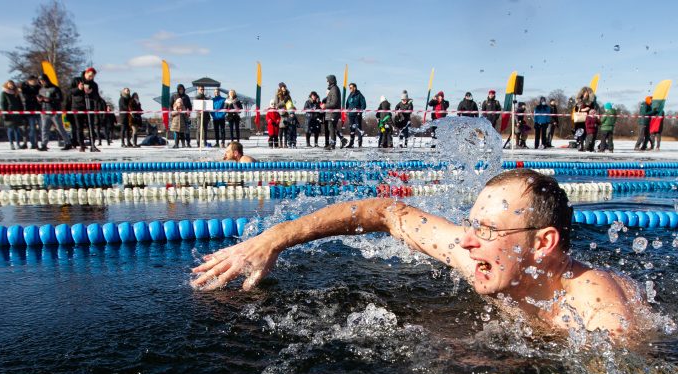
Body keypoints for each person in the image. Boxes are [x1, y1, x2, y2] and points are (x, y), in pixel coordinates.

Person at [191, 168, 642, 341]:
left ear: (542, 244)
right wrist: (273, 238)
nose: (466, 242)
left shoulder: (594, 311)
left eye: (487, 230)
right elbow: (388, 212)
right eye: (470, 225)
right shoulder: (487, 259)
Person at [37, 73, 69, 151]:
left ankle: (68, 143)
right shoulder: (41, 90)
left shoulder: (55, 88)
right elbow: (41, 102)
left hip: (54, 111)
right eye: (40, 81)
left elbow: (60, 99)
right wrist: (40, 101)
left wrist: (50, 99)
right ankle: (44, 144)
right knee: (44, 129)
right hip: (45, 112)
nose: (42, 82)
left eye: (43, 81)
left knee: (60, 128)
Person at [1, 80, 25, 150]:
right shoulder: (4, 93)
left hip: (17, 114)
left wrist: (21, 112)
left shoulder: (16, 93)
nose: (11, 85)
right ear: (7, 85)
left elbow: (20, 103)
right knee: (10, 129)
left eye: (12, 84)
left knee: (17, 129)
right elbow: (3, 104)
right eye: (10, 84)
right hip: (9, 114)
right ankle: (11, 144)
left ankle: (18, 143)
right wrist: (4, 113)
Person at [323, 74, 345, 149]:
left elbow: (334, 102)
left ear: (331, 81)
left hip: (333, 113)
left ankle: (332, 144)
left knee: (331, 127)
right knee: (333, 128)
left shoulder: (334, 89)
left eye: (328, 80)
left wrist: (325, 106)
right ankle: (342, 139)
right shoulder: (332, 89)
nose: (327, 82)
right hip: (331, 113)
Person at [20, 75, 41, 149]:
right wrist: (35, 97)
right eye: (33, 81)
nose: (34, 82)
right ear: (29, 81)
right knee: (32, 128)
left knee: (40, 128)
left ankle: (38, 143)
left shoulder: (39, 87)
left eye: (35, 80)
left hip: (38, 110)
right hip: (29, 110)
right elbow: (25, 97)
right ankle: (33, 143)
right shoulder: (25, 88)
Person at [345, 82, 366, 148]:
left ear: (355, 87)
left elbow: (364, 104)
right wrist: (347, 110)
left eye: (351, 87)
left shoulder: (359, 95)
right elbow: (347, 103)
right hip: (351, 115)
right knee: (352, 129)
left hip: (357, 114)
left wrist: (360, 111)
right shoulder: (350, 95)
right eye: (349, 88)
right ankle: (351, 143)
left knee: (359, 128)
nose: (350, 89)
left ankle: (360, 144)